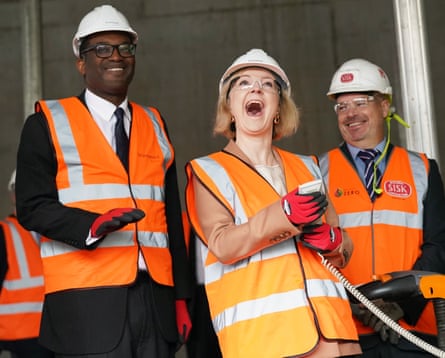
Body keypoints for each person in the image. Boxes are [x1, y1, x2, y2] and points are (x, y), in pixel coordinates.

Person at [14, 4, 192, 358]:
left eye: (125, 48)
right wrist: (90, 226)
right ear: (81, 62)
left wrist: (182, 297)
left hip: (155, 302)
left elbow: (172, 215)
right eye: (102, 49)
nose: (116, 57)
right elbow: (32, 208)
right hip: (86, 305)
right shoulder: (46, 123)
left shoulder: (154, 122)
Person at [184, 48, 361, 357]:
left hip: (333, 334)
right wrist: (284, 216)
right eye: (244, 83)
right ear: (230, 106)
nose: (256, 88)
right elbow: (223, 245)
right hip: (265, 341)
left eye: (267, 85)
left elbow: (340, 247)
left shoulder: (307, 166)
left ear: (278, 107)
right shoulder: (209, 171)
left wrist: (334, 241)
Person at [318, 58, 445, 357]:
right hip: (346, 332)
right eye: (342, 106)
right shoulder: (315, 171)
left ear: (385, 106)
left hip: (413, 331)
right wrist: (359, 307)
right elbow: (313, 256)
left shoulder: (423, 169)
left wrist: (401, 306)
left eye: (361, 101)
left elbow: (439, 247)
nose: (351, 114)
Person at [0, 170, 53, 358]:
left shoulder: (54, 229)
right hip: (22, 333)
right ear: (12, 195)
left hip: (54, 331)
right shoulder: (4, 231)